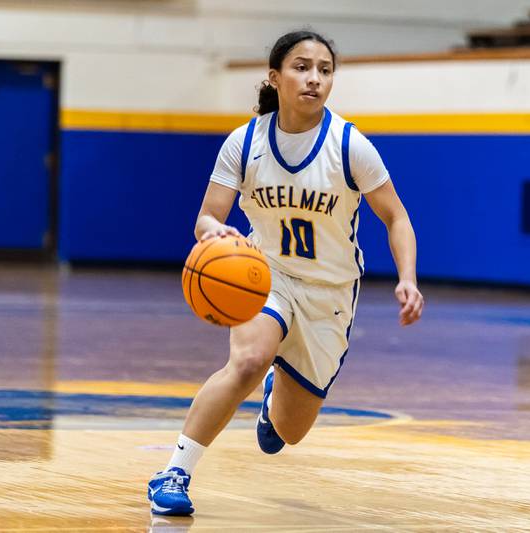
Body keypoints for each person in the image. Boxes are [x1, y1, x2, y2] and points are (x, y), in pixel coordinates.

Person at [146, 30, 424, 516]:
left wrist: (408, 278)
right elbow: (206, 218)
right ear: (275, 78)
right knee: (248, 362)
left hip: (330, 292)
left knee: (290, 432)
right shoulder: (245, 142)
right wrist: (217, 232)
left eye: (324, 70)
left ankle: (276, 397)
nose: (314, 78)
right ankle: (174, 472)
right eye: (301, 67)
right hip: (263, 274)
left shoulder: (350, 145)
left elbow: (396, 217)